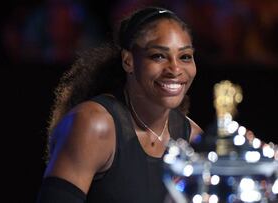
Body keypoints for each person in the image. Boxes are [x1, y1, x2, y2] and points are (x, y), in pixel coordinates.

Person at [36, 6, 202, 203]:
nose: (175, 69)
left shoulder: (193, 138)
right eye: (158, 55)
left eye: (185, 57)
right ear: (128, 60)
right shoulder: (92, 124)